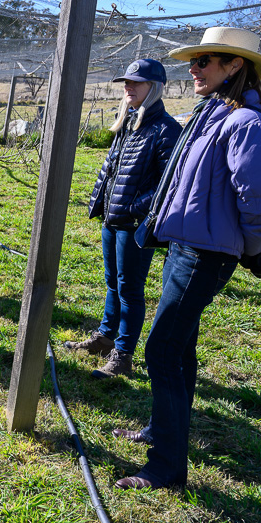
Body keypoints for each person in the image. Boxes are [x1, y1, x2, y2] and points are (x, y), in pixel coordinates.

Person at [114, 27, 261, 490]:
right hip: (185, 248)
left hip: (206, 254)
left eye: (204, 61)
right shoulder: (212, 113)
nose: (193, 69)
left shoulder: (244, 123)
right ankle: (163, 431)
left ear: (234, 66)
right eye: (193, 61)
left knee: (161, 351)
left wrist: (254, 251)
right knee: (180, 348)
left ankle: (166, 468)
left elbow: (255, 199)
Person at [64, 59, 181, 378]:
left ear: (154, 88)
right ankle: (104, 338)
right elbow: (111, 170)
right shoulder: (128, 122)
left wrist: (133, 208)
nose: (128, 87)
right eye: (126, 82)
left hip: (134, 225)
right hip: (112, 220)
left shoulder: (166, 130)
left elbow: (169, 183)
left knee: (130, 288)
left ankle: (123, 355)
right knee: (113, 283)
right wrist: (101, 202)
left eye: (136, 82)